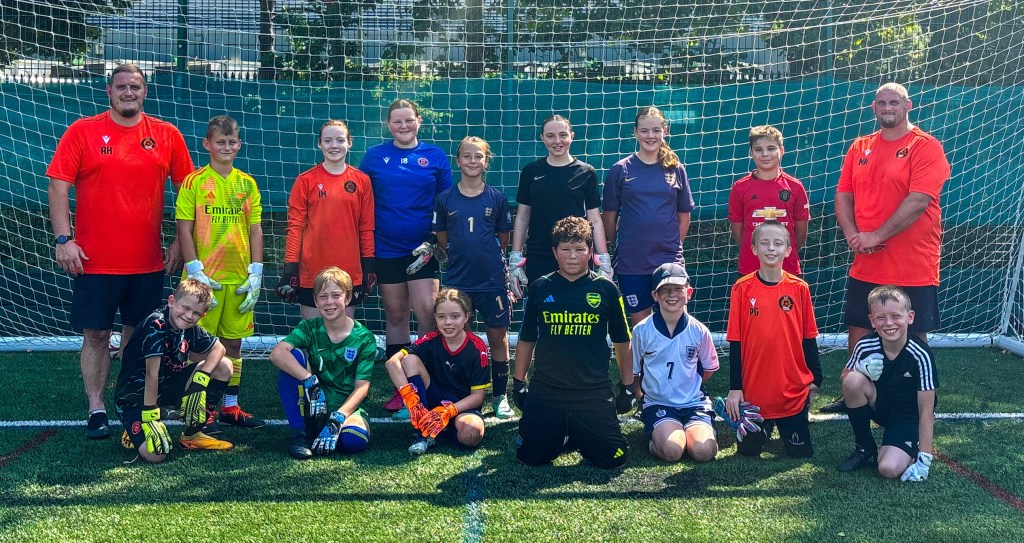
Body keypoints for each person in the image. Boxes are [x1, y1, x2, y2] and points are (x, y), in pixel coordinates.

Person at [46, 63, 195, 440]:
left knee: (139, 336)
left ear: (145, 92)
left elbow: (189, 191)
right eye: (122, 87)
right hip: (93, 262)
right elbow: (58, 186)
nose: (129, 92)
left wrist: (181, 241)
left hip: (147, 262)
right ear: (109, 92)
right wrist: (63, 239)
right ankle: (96, 407)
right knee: (96, 335)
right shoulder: (83, 131)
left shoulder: (166, 134)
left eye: (136, 87)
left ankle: (127, 402)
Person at [823, 82, 951, 414]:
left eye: (894, 102)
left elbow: (919, 201)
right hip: (866, 261)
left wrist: (875, 235)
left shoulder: (925, 146)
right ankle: (855, 394)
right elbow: (843, 194)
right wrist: (853, 234)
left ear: (908, 105)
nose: (887, 107)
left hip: (913, 263)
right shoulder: (860, 146)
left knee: (913, 330)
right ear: (874, 108)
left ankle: (920, 396)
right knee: (859, 327)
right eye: (881, 103)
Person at [513, 216, 632, 469]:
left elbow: (623, 340)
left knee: (613, 460)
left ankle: (575, 431)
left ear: (591, 251)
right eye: (565, 249)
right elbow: (527, 338)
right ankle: (566, 431)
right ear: (554, 252)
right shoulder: (540, 287)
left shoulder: (606, 289)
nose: (573, 256)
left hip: (592, 391)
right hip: (547, 389)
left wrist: (628, 385)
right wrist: (519, 382)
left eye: (579, 249)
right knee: (528, 457)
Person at [360, 99, 452, 412]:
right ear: (389, 125)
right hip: (386, 249)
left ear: (419, 121)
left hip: (422, 251)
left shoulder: (435, 156)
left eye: (409, 120)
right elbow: (361, 200)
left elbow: (445, 203)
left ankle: (425, 381)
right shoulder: (374, 156)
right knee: (396, 315)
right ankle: (402, 388)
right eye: (397, 121)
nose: (404, 126)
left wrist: (433, 242)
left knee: (427, 313)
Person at [176, 115, 265, 431]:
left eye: (231, 142)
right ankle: (198, 408)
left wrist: (256, 272)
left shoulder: (247, 184)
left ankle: (229, 406)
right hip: (204, 282)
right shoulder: (194, 182)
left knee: (234, 345)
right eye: (220, 142)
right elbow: (183, 228)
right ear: (207, 144)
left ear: (239, 145)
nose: (226, 147)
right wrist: (194, 269)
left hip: (238, 279)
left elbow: (255, 229)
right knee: (199, 347)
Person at [430, 137, 515, 419]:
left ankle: (500, 396)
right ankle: (457, 393)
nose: (472, 161)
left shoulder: (497, 198)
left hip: (491, 281)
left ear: (486, 161)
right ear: (458, 161)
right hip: (458, 281)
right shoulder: (445, 199)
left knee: (498, 337)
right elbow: (442, 238)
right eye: (466, 156)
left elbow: (503, 238)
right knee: (454, 336)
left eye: (478, 156)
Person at [725, 222, 822, 458]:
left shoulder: (799, 288)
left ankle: (782, 423)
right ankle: (765, 426)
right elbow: (735, 342)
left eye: (778, 243)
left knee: (801, 454)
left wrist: (816, 379)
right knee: (748, 452)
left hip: (791, 392)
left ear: (788, 250)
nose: (771, 248)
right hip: (754, 392)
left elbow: (809, 337)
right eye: (764, 243)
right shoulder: (741, 288)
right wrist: (735, 388)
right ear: (754, 249)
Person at [114, 279, 235, 463]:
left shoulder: (189, 327)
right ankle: (134, 428)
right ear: (171, 301)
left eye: (196, 313)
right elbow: (151, 374)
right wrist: (150, 415)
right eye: (185, 308)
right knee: (156, 454)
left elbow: (219, 349)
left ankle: (192, 435)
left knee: (224, 366)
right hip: (135, 399)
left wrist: (199, 382)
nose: (189, 316)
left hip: (167, 389)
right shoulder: (156, 324)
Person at [269, 267, 376, 460]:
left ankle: (332, 426)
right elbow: (277, 354)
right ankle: (299, 434)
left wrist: (339, 418)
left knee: (353, 441)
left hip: (346, 409)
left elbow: (362, 387)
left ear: (347, 298)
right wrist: (309, 380)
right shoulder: (309, 327)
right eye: (323, 296)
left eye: (336, 295)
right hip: (315, 406)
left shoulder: (364, 337)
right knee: (291, 356)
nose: (329, 302)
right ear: (316, 301)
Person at [602, 107, 694, 325]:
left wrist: (672, 245)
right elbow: (609, 217)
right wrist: (619, 244)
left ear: (665, 131)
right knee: (641, 326)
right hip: (632, 261)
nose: (650, 136)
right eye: (644, 131)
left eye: (656, 130)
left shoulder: (676, 168)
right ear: (635, 132)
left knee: (675, 321)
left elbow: (684, 217)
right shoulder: (620, 169)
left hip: (669, 259)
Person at [275, 120, 375, 320]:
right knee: (314, 334)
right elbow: (295, 228)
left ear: (349, 143)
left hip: (349, 272)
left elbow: (366, 227)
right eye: (328, 141)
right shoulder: (305, 180)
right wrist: (290, 269)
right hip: (312, 272)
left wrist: (369, 266)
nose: (334, 146)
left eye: (340, 140)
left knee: (343, 333)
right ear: (319, 144)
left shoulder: (362, 180)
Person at [837, 286, 938, 482]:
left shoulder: (921, 354)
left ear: (910, 317)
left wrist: (924, 460)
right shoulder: (865, 345)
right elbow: (845, 377)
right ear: (872, 321)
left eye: (896, 316)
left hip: (907, 416)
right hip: (880, 405)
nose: (889, 323)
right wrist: (861, 368)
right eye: (881, 317)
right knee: (853, 380)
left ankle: (911, 447)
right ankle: (865, 448)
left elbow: (927, 411)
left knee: (888, 469)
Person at [509, 115, 612, 298]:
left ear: (572, 136)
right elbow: (523, 217)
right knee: (542, 310)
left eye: (563, 135)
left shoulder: (586, 172)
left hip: (576, 255)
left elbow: (595, 219)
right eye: (550, 136)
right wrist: (515, 257)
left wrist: (604, 260)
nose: (557, 141)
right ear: (542, 138)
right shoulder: (530, 171)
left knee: (578, 309)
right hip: (539, 255)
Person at [385, 288, 489, 455]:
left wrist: (448, 411)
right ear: (435, 318)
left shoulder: (477, 348)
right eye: (442, 317)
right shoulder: (430, 340)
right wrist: (409, 396)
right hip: (434, 401)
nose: (448, 322)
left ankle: (440, 430)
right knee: (409, 359)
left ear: (466, 317)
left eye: (455, 316)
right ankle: (423, 432)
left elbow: (477, 397)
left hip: (461, 407)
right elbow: (392, 363)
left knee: (471, 435)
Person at [632, 263, 718, 463]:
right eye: (665, 290)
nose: (672, 295)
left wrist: (686, 387)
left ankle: (695, 433)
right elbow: (634, 372)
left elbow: (708, 370)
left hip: (694, 403)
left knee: (703, 452)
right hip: (658, 403)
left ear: (689, 292)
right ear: (655, 295)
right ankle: (658, 438)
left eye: (678, 289)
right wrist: (643, 395)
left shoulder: (699, 331)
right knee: (672, 451)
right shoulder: (642, 331)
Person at [727, 125, 810, 276]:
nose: (765, 154)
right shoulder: (739, 187)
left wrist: (782, 251)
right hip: (750, 269)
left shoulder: (795, 187)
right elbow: (738, 231)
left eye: (771, 148)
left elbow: (801, 232)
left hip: (788, 269)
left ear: (782, 150)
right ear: (751, 153)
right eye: (758, 149)